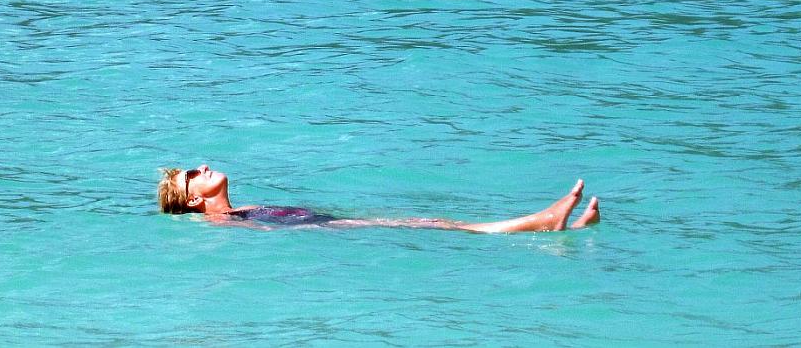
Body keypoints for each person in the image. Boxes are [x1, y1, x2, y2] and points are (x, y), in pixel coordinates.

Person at [158, 164, 600, 232]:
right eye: (193, 175)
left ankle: (556, 225)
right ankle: (541, 220)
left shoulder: (239, 209)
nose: (202, 167)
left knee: (432, 224)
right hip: (327, 230)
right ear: (195, 200)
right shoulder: (220, 221)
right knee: (437, 227)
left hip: (325, 222)